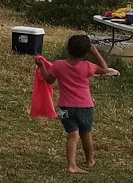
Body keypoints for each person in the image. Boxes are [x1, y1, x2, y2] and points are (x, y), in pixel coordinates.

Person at [37, 33, 120, 174]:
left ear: (68, 48)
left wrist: (41, 66)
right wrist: (95, 53)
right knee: (86, 134)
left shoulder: (59, 65)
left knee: (72, 135)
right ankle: (89, 160)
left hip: (65, 106)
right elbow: (105, 70)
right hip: (85, 107)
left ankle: (71, 165)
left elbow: (48, 80)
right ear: (86, 51)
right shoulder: (87, 66)